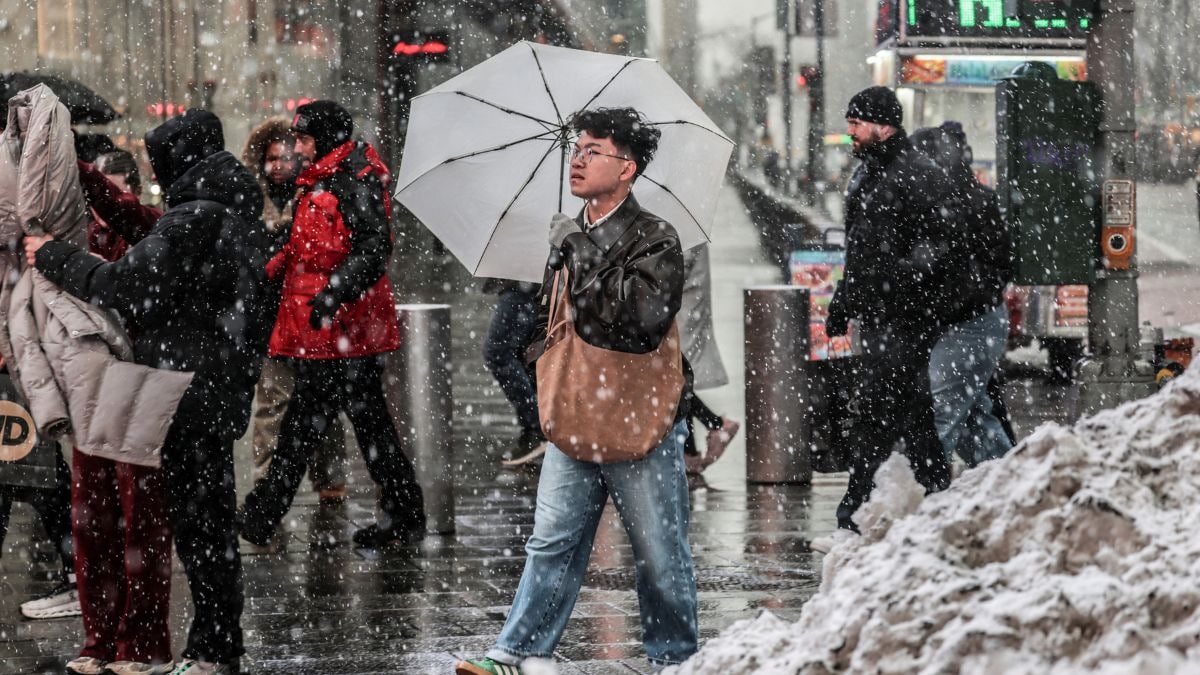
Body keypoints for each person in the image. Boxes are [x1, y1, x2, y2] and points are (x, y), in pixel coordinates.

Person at [26, 109, 276, 674]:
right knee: (207, 526)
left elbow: (123, 284)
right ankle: (218, 646)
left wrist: (51, 254)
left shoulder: (195, 220)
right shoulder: (224, 211)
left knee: (200, 531)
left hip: (183, 393)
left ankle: (214, 651)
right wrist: (90, 180)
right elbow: (151, 235)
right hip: (214, 387)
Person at [455, 107, 698, 675]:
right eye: (576, 148)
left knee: (660, 556)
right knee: (552, 542)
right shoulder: (571, 234)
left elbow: (636, 319)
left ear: (628, 168)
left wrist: (576, 249)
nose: (578, 158)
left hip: (639, 417)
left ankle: (676, 660)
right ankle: (520, 650)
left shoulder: (655, 237)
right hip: (573, 410)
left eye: (594, 150)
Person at [238, 100, 426, 550]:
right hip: (329, 330)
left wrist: (333, 293)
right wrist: (268, 271)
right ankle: (404, 513)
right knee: (360, 423)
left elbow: (374, 249)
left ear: (325, 139)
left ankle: (263, 513)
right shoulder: (321, 180)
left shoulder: (352, 182)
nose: (297, 147)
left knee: (306, 426)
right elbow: (303, 248)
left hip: (344, 331)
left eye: (303, 138)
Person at [815, 87, 954, 549]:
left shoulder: (915, 174)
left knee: (877, 412)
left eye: (857, 123)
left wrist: (900, 276)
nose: (849, 130)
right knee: (912, 414)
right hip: (879, 316)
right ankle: (939, 495)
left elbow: (940, 244)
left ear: (883, 124)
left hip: (907, 317)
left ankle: (852, 513)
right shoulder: (867, 174)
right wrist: (844, 302)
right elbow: (862, 253)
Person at [63, 154, 174, 675]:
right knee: (92, 521)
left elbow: (125, 216)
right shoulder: (74, 236)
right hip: (90, 390)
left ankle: (141, 642)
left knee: (140, 524)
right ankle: (99, 638)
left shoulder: (151, 229)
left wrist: (73, 163)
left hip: (139, 386)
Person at [241, 117, 350, 551]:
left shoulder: (316, 195)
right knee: (273, 405)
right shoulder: (253, 203)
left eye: (287, 155)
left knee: (322, 404)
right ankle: (265, 486)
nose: (280, 164)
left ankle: (329, 482)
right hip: (273, 323)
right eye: (272, 157)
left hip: (312, 320)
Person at [910, 122, 1015, 468]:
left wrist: (962, 294)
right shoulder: (960, 200)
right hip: (968, 319)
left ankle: (920, 497)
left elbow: (995, 263)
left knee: (942, 415)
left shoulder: (954, 204)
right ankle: (1007, 480)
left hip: (967, 321)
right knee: (973, 416)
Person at [678, 246, 739, 476]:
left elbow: (679, 261)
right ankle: (694, 449)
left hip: (683, 307)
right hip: (683, 305)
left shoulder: (679, 224)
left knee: (678, 381)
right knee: (679, 382)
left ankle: (708, 435)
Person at [481, 278, 546, 467]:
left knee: (498, 352)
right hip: (526, 284)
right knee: (527, 355)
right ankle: (537, 429)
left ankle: (537, 428)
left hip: (523, 284)